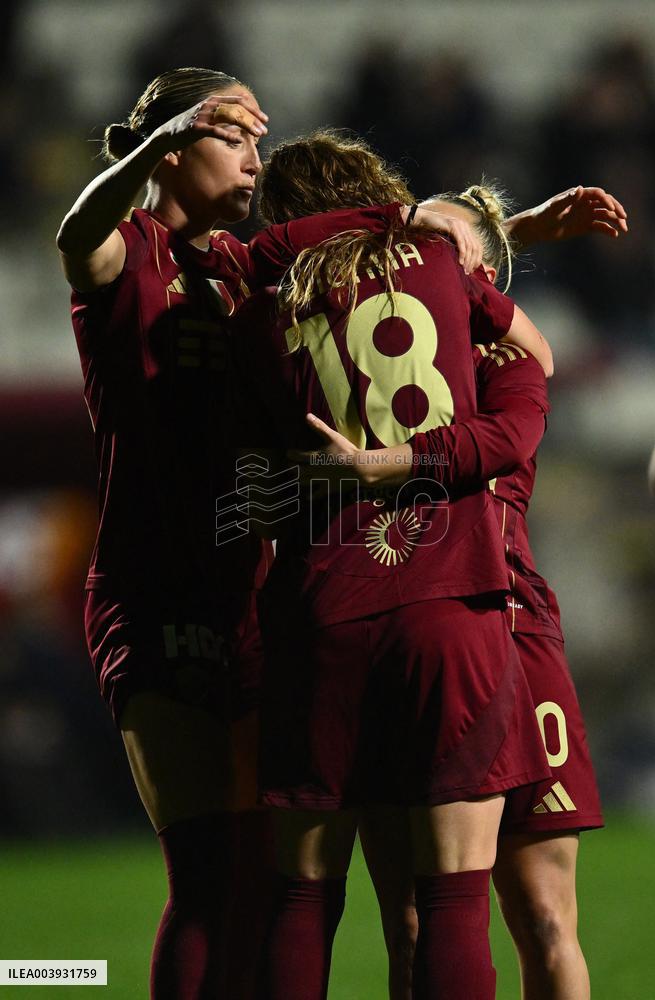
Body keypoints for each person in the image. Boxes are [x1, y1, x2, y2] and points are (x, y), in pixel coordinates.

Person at [55, 66, 494, 1000]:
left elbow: (391, 255)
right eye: (234, 136)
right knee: (211, 873)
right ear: (172, 146)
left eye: (260, 138)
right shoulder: (123, 251)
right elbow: (74, 230)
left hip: (258, 591)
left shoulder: (253, 266)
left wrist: (510, 228)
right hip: (156, 583)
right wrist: (154, 136)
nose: (258, 158)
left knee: (270, 876)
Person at [231, 131, 561, 1000]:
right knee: (453, 896)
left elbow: (258, 446)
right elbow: (534, 354)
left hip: (321, 602)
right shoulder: (442, 267)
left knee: (301, 898)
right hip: (451, 598)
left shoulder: (262, 308)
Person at [293, 184, 608, 1000]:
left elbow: (525, 384)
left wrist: (500, 239)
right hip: (408, 628)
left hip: (511, 624)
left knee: (541, 913)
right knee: (411, 915)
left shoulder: (503, 356)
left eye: (440, 246)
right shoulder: (372, 356)